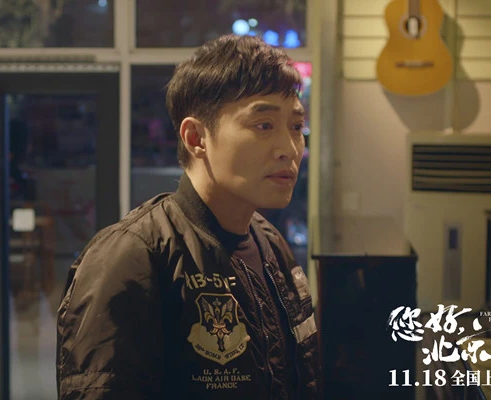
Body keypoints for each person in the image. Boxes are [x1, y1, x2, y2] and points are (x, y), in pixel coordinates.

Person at [56, 34, 319, 399]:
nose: (289, 149)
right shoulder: (133, 256)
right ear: (196, 138)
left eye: (296, 127)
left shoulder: (270, 243)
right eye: (264, 125)